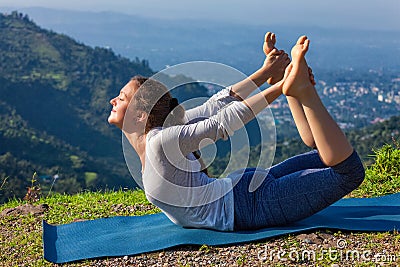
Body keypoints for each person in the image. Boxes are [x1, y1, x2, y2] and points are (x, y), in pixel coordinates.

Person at [108, 33, 365, 231]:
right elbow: (216, 107)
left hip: (249, 205)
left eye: (121, 97)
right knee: (327, 154)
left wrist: (276, 85)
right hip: (246, 193)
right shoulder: (165, 137)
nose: (113, 101)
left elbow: (221, 120)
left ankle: (300, 90)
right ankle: (295, 88)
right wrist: (268, 75)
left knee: (349, 172)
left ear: (140, 115)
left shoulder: (159, 142)